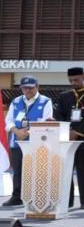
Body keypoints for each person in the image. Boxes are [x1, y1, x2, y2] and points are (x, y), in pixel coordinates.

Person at [2, 76, 53, 206]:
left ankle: (35, 196)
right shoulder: (16, 101)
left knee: (35, 170)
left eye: (31, 87)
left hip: (37, 142)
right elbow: (8, 120)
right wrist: (17, 132)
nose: (28, 90)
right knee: (18, 170)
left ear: (37, 87)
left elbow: (46, 121)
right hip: (17, 141)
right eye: (25, 88)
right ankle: (17, 196)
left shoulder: (46, 101)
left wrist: (29, 132)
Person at [55, 67, 84, 209]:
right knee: (66, 170)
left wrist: (77, 132)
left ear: (83, 77)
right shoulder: (64, 95)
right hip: (66, 137)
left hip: (83, 138)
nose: (74, 82)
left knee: (83, 171)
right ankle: (67, 200)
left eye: (76, 79)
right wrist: (67, 130)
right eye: (71, 80)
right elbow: (59, 114)